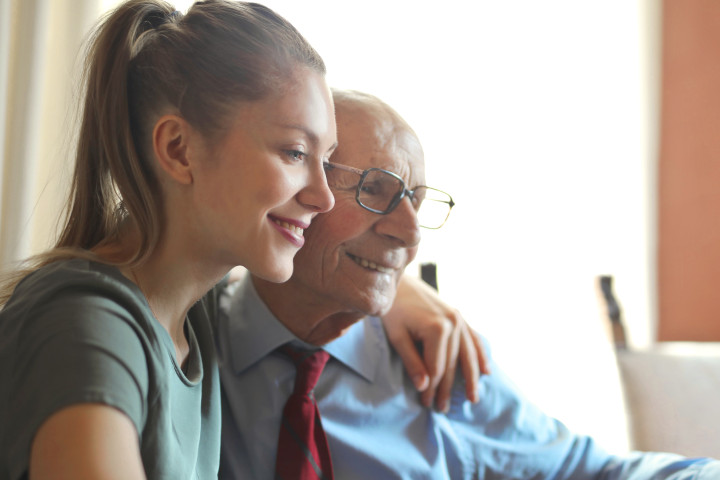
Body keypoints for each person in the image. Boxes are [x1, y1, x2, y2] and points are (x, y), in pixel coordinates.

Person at [0, 2, 486, 477]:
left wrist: (391, 283)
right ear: (179, 149)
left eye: (327, 160)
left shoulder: (192, 316)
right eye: (295, 153)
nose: (323, 197)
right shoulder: (86, 327)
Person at [216, 89, 720, 479]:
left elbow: (586, 469)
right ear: (298, 191)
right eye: (375, 189)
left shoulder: (440, 362)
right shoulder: (190, 337)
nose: (411, 232)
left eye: (415, 199)